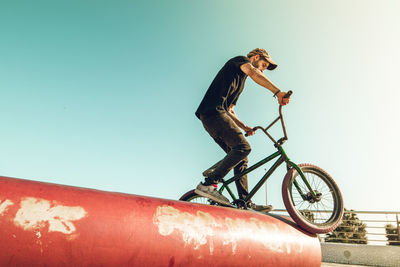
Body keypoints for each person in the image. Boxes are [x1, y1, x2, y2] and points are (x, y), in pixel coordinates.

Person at [194, 48, 291, 212]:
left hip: (214, 117)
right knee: (243, 147)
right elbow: (253, 72)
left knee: (241, 158)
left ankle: (245, 202)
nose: (262, 69)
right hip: (213, 112)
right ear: (254, 57)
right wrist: (277, 92)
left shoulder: (240, 84)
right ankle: (209, 184)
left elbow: (230, 110)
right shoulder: (240, 61)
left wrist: (245, 126)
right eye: (263, 64)